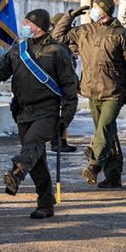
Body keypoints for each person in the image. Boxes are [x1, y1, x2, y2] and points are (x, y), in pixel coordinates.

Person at [0, 9, 78, 219]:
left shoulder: (57, 51)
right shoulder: (18, 50)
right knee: (37, 161)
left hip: (47, 111)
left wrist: (65, 118)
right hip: (22, 111)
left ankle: (17, 173)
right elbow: (1, 71)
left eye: (27, 22)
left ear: (38, 25)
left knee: (32, 144)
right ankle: (46, 205)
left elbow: (69, 86)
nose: (24, 26)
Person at [52, 0, 126, 188]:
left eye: (95, 7)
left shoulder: (120, 34)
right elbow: (58, 36)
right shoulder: (85, 31)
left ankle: (94, 164)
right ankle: (114, 175)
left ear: (104, 11)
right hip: (92, 89)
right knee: (109, 133)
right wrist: (69, 16)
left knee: (104, 129)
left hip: (113, 91)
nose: (92, 10)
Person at [48, 12, 78, 153]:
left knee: (64, 112)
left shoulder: (65, 39)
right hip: (57, 81)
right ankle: (56, 141)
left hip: (65, 80)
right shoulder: (54, 38)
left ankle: (62, 141)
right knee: (59, 112)